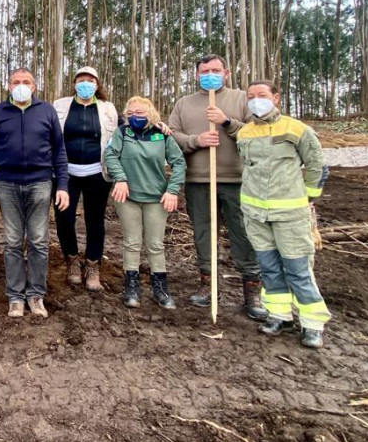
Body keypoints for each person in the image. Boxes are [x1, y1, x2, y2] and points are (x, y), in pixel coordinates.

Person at [167, 54, 267, 320]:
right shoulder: (184, 103)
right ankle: (207, 285)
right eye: (204, 71)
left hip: (236, 180)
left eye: (215, 70)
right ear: (197, 74)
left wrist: (226, 122)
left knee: (243, 234)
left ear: (226, 72)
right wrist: (195, 140)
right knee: (203, 234)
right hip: (199, 180)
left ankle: (252, 291)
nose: (209, 74)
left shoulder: (241, 99)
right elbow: (171, 135)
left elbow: (257, 133)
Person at [237, 81, 330, 348]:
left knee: (298, 268)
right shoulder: (245, 133)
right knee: (268, 266)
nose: (256, 101)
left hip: (290, 212)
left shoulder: (296, 129)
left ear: (276, 98)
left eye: (262, 95)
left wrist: (310, 197)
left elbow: (316, 165)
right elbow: (249, 168)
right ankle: (280, 314)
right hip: (255, 213)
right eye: (251, 97)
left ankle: (312, 323)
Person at [0, 68, 69, 319]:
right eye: (16, 82)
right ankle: (16, 296)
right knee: (12, 241)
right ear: (9, 86)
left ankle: (36, 295)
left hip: (40, 183)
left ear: (34, 86)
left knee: (39, 241)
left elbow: (59, 151)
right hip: (7, 184)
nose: (21, 85)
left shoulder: (46, 111)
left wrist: (62, 185)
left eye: (26, 82)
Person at [105, 97, 186, 309]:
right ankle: (131, 286)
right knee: (131, 242)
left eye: (140, 112)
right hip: (128, 197)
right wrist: (120, 178)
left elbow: (179, 163)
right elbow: (111, 156)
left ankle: (160, 287)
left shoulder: (162, 134)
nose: (135, 116)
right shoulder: (122, 133)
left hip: (156, 198)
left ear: (150, 113)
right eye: (130, 113)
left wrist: (172, 190)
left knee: (155, 244)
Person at [52, 66, 119, 291]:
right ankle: (71, 259)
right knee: (64, 219)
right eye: (81, 79)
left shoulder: (108, 109)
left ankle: (92, 266)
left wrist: (156, 124)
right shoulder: (60, 106)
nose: (85, 83)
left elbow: (122, 133)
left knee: (95, 220)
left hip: (97, 174)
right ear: (74, 84)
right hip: (65, 173)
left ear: (97, 85)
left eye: (90, 80)